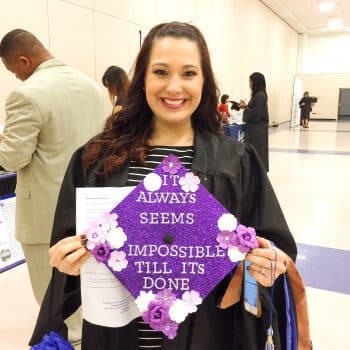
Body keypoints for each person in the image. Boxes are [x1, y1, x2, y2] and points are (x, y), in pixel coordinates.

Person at [30, 22, 306, 350]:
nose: (174, 87)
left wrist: (267, 264)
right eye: (160, 72)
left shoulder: (236, 162)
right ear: (143, 79)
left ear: (204, 81)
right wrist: (67, 262)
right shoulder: (97, 159)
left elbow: (275, 246)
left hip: (208, 335)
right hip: (118, 338)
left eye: (189, 73)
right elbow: (68, 250)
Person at [0, 29, 104, 348]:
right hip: (89, 208)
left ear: (23, 60)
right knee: (87, 294)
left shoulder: (27, 94)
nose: (15, 76)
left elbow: (12, 157)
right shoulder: (90, 86)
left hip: (45, 217)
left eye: (12, 69)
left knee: (54, 298)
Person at [239, 72, 269, 171]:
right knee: (256, 151)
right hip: (257, 129)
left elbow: (255, 114)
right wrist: (247, 106)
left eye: (250, 82)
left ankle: (258, 171)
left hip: (257, 131)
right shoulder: (259, 95)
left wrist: (245, 108)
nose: (249, 84)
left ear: (255, 82)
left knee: (256, 151)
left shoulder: (259, 96)